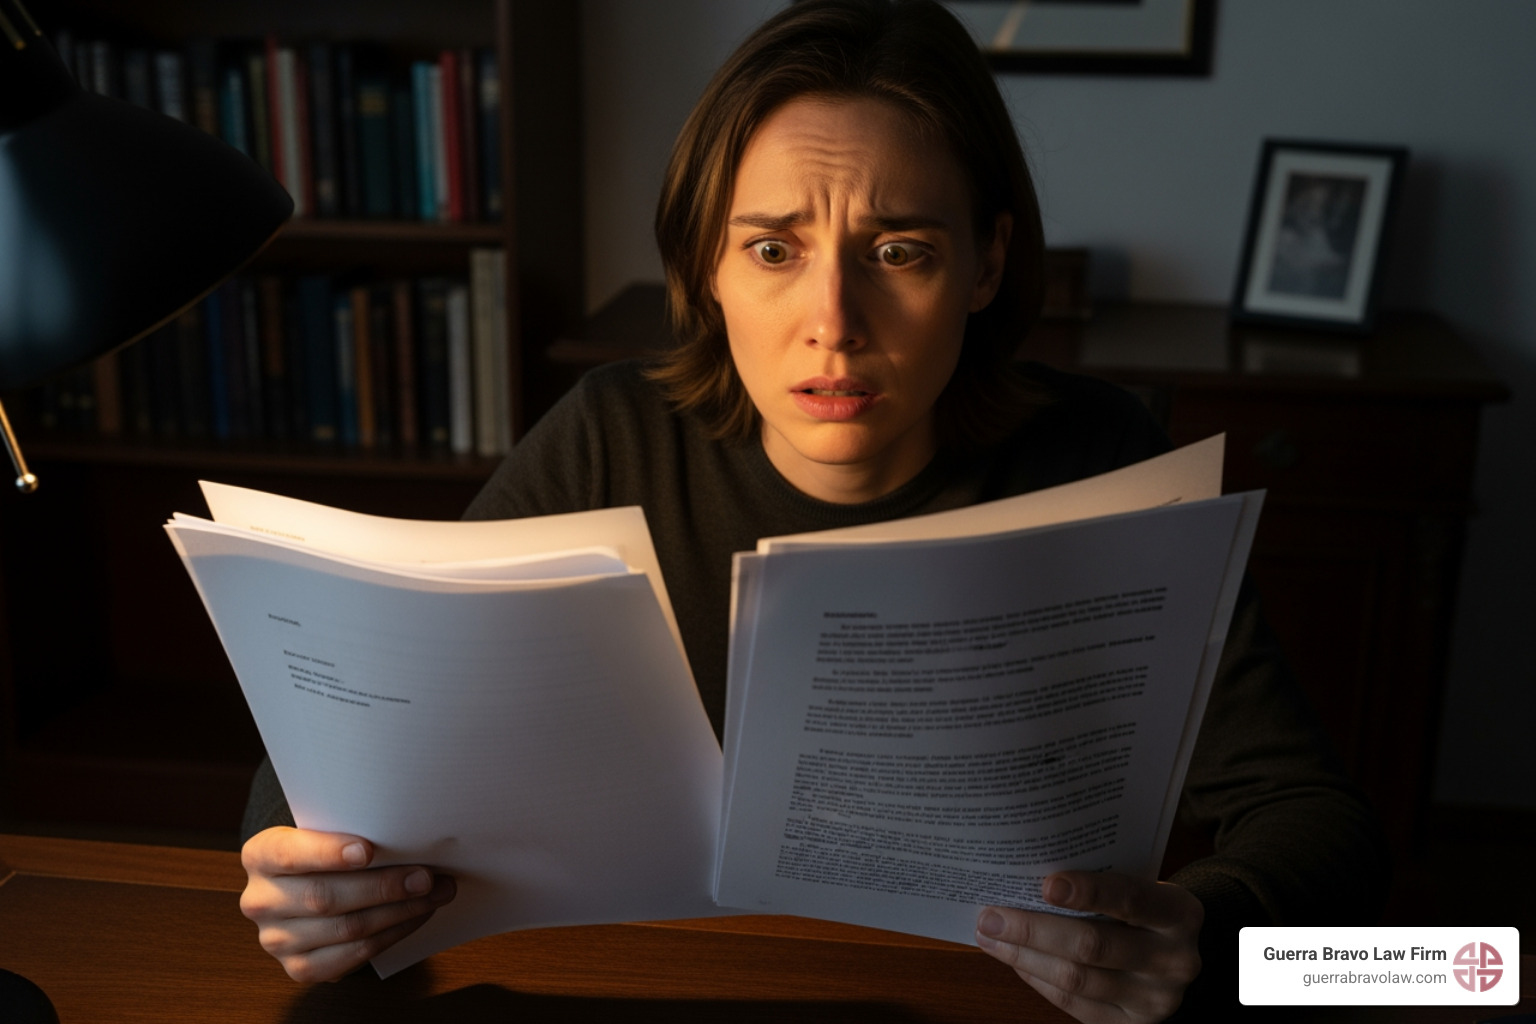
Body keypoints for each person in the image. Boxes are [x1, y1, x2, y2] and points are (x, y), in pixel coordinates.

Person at [238, 1, 1388, 1018]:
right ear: (708, 268)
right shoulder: (610, 435)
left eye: (899, 249)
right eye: (775, 248)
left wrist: (1203, 934)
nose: (832, 319)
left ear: (986, 266)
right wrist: (305, 877)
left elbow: (1322, 827)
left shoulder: (1098, 459)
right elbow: (333, 759)